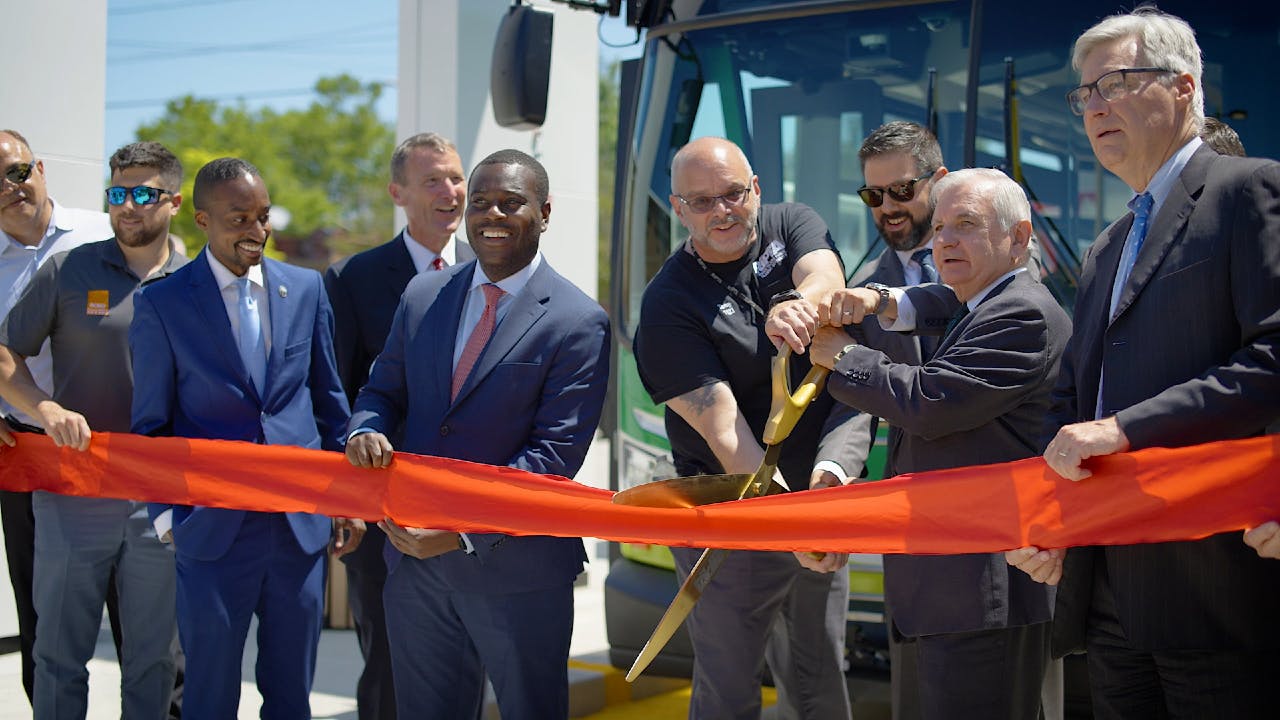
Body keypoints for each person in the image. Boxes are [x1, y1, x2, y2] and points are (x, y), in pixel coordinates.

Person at [1005, 8, 1280, 717]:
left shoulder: (1247, 191)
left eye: (1115, 84)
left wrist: (1125, 429)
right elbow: (1070, 401)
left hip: (1214, 587)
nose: (1094, 107)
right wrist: (1051, 518)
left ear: (1183, 87)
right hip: (1104, 593)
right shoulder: (1107, 245)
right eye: (1085, 95)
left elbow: (1273, 360)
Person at [344, 149, 610, 719]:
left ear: (544, 212)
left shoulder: (578, 321)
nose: (491, 215)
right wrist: (364, 430)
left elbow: (552, 457)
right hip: (415, 570)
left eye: (510, 203)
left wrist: (461, 531)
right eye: (481, 203)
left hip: (518, 572)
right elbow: (382, 393)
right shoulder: (422, 296)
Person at [802, 168, 1069, 719]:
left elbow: (926, 402)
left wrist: (841, 355)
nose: (944, 241)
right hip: (955, 587)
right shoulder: (980, 302)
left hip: (984, 589)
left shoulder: (1022, 313)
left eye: (966, 225)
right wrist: (876, 301)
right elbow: (932, 302)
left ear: (1019, 238)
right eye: (941, 226)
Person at [129, 157, 363, 719]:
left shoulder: (306, 289)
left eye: (263, 217)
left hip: (297, 531)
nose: (256, 232)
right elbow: (150, 428)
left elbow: (330, 403)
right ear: (203, 221)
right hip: (209, 532)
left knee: (291, 697)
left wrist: (347, 502)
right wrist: (168, 519)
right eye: (239, 219)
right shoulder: (162, 304)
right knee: (209, 696)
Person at [633, 136, 857, 720]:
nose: (722, 211)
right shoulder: (667, 303)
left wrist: (798, 304)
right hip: (731, 519)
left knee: (819, 681)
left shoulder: (794, 222)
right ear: (678, 209)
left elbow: (825, 276)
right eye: (702, 202)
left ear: (756, 189)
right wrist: (798, 530)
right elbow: (729, 438)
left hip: (817, 501)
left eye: (733, 193)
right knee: (728, 690)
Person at [0, 141, 187, 719]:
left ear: (175, 202)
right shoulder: (70, 268)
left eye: (143, 194)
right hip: (74, 490)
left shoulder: (199, 279)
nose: (127, 206)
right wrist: (45, 408)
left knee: (154, 660)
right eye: (117, 194)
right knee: (57, 653)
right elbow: (6, 351)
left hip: (162, 499)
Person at [323, 132, 473, 720]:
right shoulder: (354, 280)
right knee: (388, 667)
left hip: (465, 509)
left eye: (456, 177)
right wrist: (350, 500)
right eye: (433, 179)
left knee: (464, 667)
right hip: (383, 511)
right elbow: (337, 393)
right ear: (398, 193)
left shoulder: (495, 272)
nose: (451, 191)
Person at [0, 129, 114, 703]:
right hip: (27, 451)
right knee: (43, 610)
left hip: (124, 449)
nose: (10, 188)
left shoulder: (103, 231)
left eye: (18, 171)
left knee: (146, 617)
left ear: (40, 168)